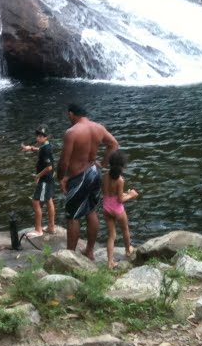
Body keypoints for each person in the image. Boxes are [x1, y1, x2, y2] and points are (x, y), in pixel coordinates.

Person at [58, 103, 119, 260]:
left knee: (73, 216)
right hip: (94, 172)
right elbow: (114, 144)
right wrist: (103, 164)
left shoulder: (72, 132)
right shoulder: (98, 128)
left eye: (68, 116)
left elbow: (64, 161)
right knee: (91, 211)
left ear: (71, 114)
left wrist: (61, 178)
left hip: (78, 176)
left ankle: (70, 256)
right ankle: (89, 251)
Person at [102, 151, 138, 268]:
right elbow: (120, 199)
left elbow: (110, 194)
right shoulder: (120, 180)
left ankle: (110, 262)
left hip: (106, 207)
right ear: (122, 166)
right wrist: (131, 195)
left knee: (111, 235)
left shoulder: (105, 176)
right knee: (125, 229)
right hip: (117, 209)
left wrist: (124, 193)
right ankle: (128, 250)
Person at [21, 124, 56, 236]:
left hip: (45, 179)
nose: (39, 138)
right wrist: (31, 148)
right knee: (48, 200)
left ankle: (38, 230)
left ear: (46, 137)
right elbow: (41, 150)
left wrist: (38, 176)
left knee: (36, 202)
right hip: (50, 178)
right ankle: (51, 227)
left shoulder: (45, 149)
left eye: (42, 136)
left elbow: (49, 167)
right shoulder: (47, 145)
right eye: (38, 135)